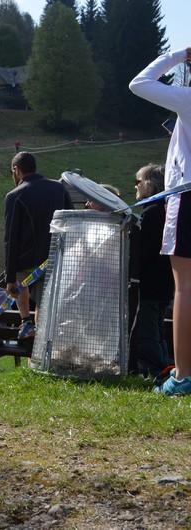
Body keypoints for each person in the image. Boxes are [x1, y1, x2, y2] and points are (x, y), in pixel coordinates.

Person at [130, 48, 191, 396]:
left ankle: (182, 376)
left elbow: (139, 83)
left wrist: (178, 54)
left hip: (188, 196)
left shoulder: (188, 99)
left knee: (185, 287)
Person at [5, 151, 73, 340]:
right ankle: (42, 335)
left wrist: (10, 278)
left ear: (16, 170)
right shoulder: (58, 189)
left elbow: (11, 238)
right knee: (44, 300)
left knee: (22, 284)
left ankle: (26, 322)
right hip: (55, 257)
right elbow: (71, 220)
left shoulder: (15, 196)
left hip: (26, 260)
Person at [128, 165, 175, 377]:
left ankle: (154, 370)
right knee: (158, 330)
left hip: (149, 283)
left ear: (149, 184)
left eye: (138, 181)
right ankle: (163, 365)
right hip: (165, 282)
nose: (135, 186)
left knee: (147, 331)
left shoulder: (151, 212)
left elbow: (143, 251)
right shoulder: (166, 209)